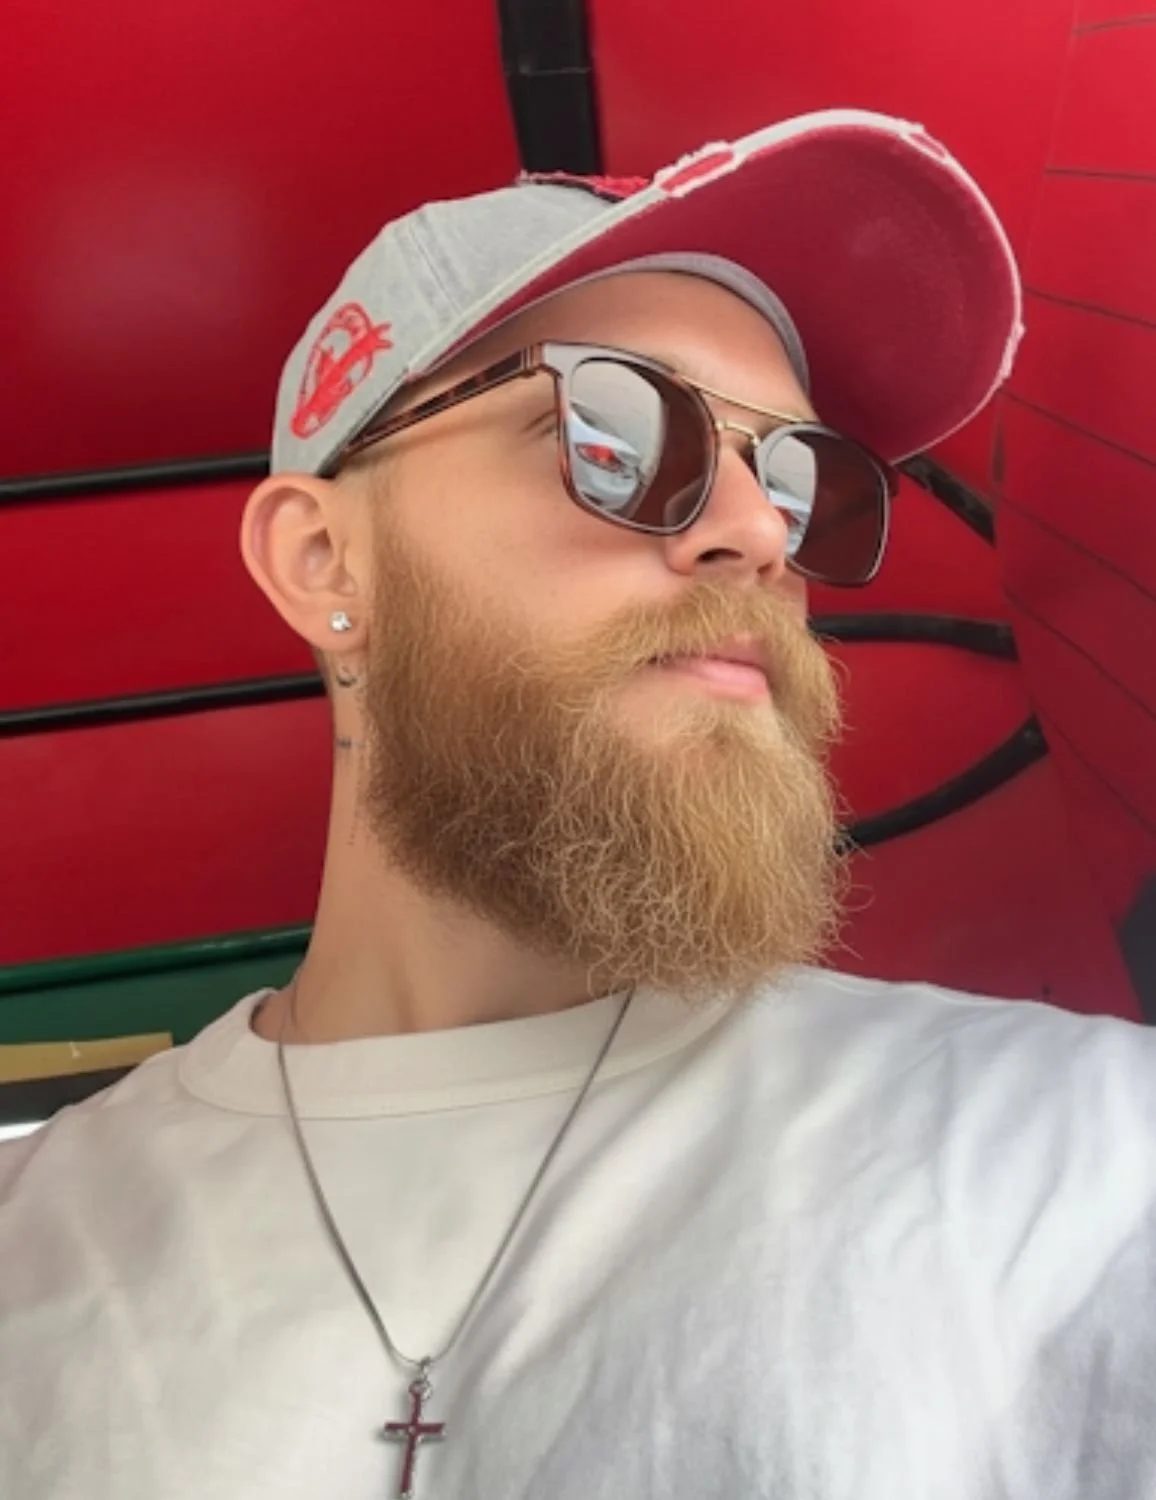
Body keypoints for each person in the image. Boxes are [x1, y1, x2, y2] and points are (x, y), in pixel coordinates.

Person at [1, 109, 1152, 1500]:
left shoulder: (1079, 1157)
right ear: (321, 558)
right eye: (620, 429)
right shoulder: (35, 1246)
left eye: (803, 479)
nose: (758, 533)